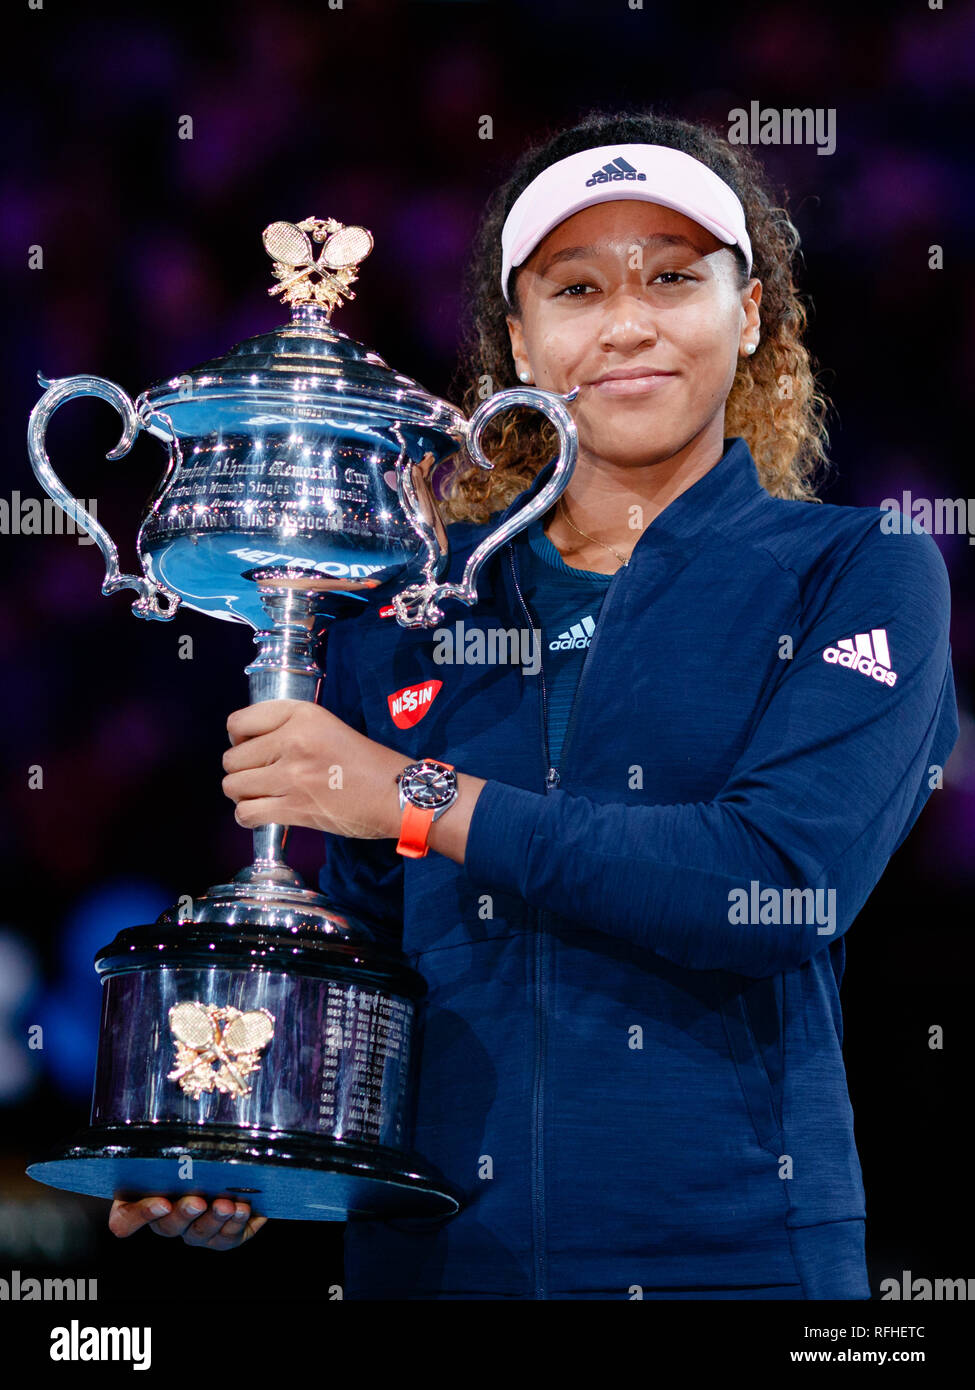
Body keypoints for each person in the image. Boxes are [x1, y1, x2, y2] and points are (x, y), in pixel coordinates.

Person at [109, 108, 959, 1299]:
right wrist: (253, 1125)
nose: (627, 324)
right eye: (574, 288)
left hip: (742, 1273)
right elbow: (370, 969)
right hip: (434, 1272)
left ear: (752, 313)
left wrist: (414, 793)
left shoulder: (858, 570)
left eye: (673, 278)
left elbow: (778, 879)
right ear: (517, 338)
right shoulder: (405, 613)